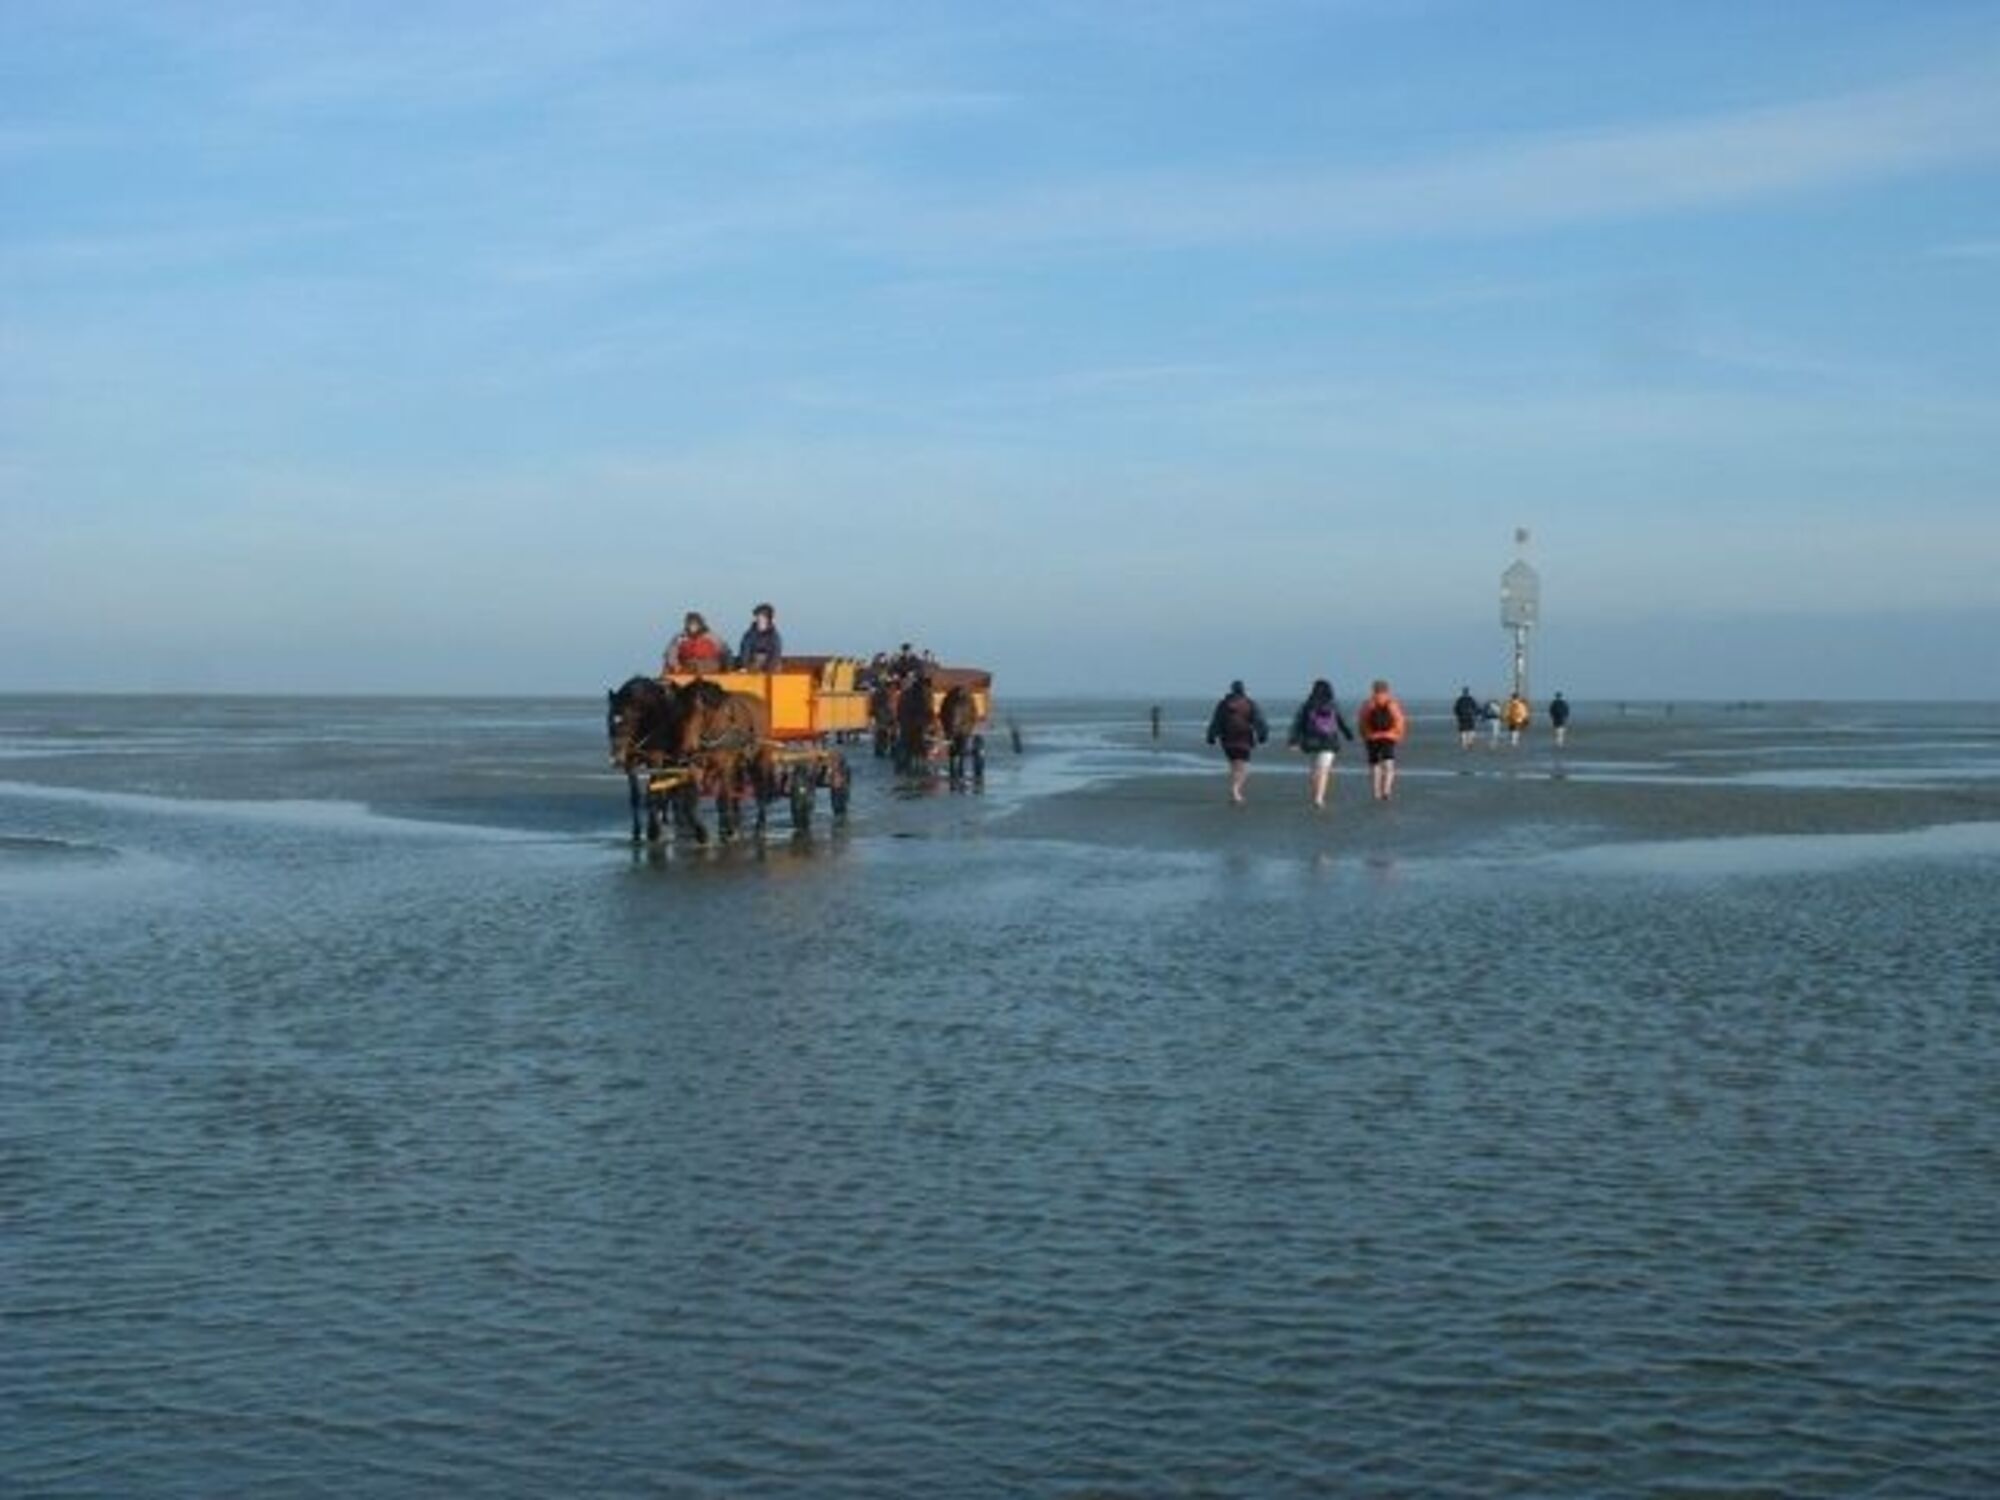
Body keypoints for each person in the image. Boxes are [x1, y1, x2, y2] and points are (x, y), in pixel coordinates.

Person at [1287, 679, 1356, 810]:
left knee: (1314, 769)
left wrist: (1293, 740)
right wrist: (1349, 735)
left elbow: (1298, 723)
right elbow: (1342, 721)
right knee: (1324, 770)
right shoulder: (1333, 705)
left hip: (1311, 741)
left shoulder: (1307, 705)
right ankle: (1319, 798)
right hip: (1329, 741)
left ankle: (1315, 795)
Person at [1205, 679, 1269, 805]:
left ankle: (1235, 792)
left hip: (1227, 740)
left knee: (1234, 765)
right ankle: (1235, 791)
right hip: (1244, 739)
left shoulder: (1223, 704)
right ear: (1243, 690)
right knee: (1243, 768)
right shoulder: (1249, 703)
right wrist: (1262, 735)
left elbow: (1216, 722)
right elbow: (1259, 721)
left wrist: (1211, 737)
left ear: (1232, 690)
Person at [1358, 679, 1407, 801]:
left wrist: (1365, 735)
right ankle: (1387, 790)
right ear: (1387, 690)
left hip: (1372, 737)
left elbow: (1362, 722)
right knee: (1389, 764)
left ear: (1373, 689)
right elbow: (1399, 721)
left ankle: (1376, 792)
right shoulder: (1392, 703)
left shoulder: (1368, 703)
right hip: (1389, 737)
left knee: (1375, 765)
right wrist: (1398, 736)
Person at [663, 611, 729, 674]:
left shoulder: (712, 637)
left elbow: (724, 651)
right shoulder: (680, 638)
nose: (693, 627)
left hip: (709, 666)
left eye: (695, 624)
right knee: (671, 663)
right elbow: (671, 653)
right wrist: (675, 665)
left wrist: (727, 665)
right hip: (686, 666)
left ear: (700, 624)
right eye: (690, 624)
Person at [737, 603, 783, 671]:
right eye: (756, 617)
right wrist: (744, 666)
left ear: (768, 619)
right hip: (754, 661)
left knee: (777, 666)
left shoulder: (774, 635)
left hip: (770, 664)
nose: (757, 619)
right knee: (754, 663)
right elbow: (745, 651)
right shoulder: (749, 635)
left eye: (761, 617)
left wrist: (770, 668)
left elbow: (776, 653)